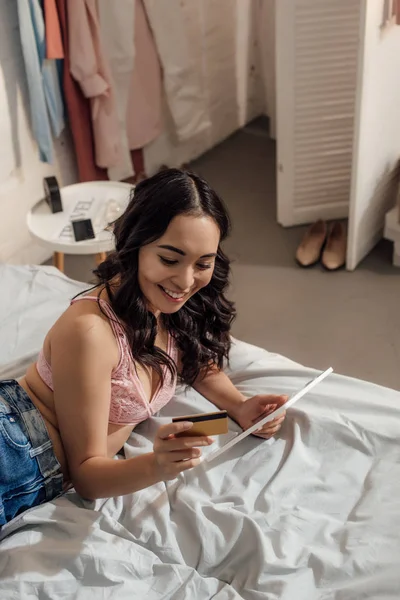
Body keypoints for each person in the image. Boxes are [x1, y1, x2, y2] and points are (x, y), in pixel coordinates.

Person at [0, 169, 287, 527]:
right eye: (169, 259)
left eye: (203, 263)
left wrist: (239, 406)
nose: (185, 281)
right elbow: (87, 477)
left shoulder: (170, 308)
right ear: (135, 245)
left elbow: (195, 361)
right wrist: (155, 465)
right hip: (12, 451)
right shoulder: (90, 332)